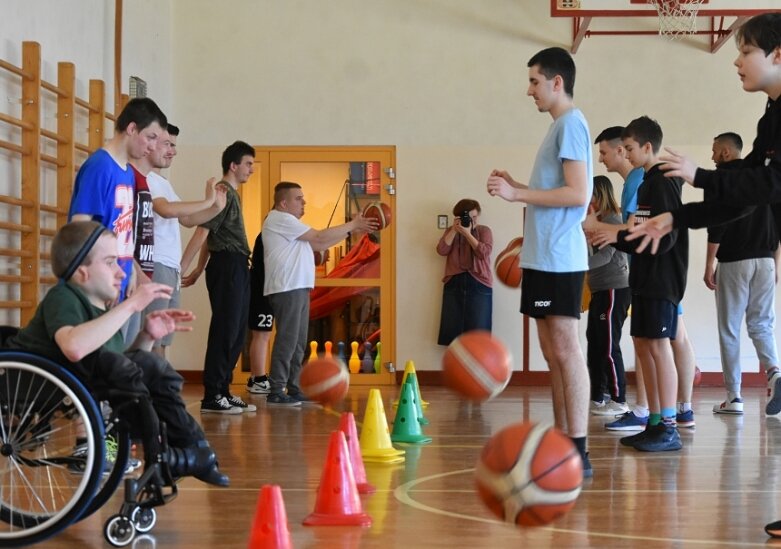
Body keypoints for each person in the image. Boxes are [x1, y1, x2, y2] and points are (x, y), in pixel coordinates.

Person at [626, 14, 781, 425]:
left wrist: (700, 176)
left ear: (778, 55)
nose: (737, 62)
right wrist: (676, 217)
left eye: (746, 52)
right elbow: (744, 194)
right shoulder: (771, 114)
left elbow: (769, 185)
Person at [6, 221, 228, 486]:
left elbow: (122, 366)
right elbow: (74, 347)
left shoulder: (105, 314)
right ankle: (175, 449)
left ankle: (190, 448)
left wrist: (147, 335)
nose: (121, 273)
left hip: (79, 382)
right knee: (141, 366)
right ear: (82, 272)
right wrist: (132, 305)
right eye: (110, 262)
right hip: (32, 383)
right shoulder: (64, 297)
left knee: (150, 365)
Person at [486, 47, 593, 476]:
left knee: (567, 351)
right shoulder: (559, 128)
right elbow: (557, 192)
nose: (528, 90)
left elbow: (578, 194)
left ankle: (579, 450)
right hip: (543, 257)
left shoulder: (570, 124)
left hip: (560, 258)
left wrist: (518, 195)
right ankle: (564, 442)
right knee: (553, 353)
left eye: (534, 81)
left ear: (556, 82)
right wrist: (521, 185)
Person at [588, 116, 687, 453]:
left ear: (647, 147)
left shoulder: (663, 183)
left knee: (659, 348)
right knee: (643, 346)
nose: (625, 154)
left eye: (629, 148)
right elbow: (638, 233)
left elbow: (665, 235)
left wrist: (617, 234)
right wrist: (615, 236)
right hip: (642, 278)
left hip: (662, 279)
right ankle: (655, 421)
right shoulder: (646, 184)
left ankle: (669, 427)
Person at [262, 181, 377, 406]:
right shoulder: (279, 218)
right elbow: (319, 238)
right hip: (287, 288)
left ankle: (293, 387)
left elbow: (321, 243)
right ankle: (276, 390)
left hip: (299, 287)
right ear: (283, 203)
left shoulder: (293, 224)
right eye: (298, 198)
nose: (303, 202)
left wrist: (353, 229)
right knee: (288, 339)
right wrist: (353, 224)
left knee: (297, 341)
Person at [706, 132, 779, 415]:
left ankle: (734, 397)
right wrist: (776, 263)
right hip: (766, 261)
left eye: (714, 151)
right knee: (762, 324)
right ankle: (774, 372)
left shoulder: (721, 179)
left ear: (726, 153)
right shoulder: (762, 176)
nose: (712, 157)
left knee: (729, 330)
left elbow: (716, 225)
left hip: (735, 261)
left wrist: (708, 264)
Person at [180, 141, 256, 414]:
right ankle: (213, 394)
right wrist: (183, 267)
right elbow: (202, 231)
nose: (251, 169)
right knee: (225, 328)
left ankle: (223, 389)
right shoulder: (223, 191)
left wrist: (200, 268)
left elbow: (212, 235)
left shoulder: (232, 195)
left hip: (235, 264)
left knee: (236, 330)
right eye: (248, 164)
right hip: (227, 265)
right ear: (233, 166)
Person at [68, 97, 167, 305]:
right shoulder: (100, 167)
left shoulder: (128, 173)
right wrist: (97, 280)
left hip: (120, 280)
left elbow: (125, 228)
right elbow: (79, 226)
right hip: (98, 283)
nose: (152, 147)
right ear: (132, 128)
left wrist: (130, 270)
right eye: (150, 137)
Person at [144, 124, 226, 358]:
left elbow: (189, 219)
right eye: (168, 144)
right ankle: (151, 392)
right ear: (150, 143)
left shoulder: (163, 183)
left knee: (164, 338)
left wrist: (215, 207)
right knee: (152, 337)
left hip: (170, 267)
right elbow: (166, 210)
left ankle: (158, 390)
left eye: (174, 146)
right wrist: (207, 200)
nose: (173, 151)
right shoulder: (145, 178)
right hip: (156, 263)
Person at [584, 176, 630, 418]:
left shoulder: (612, 220)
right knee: (595, 340)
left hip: (615, 289)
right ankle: (597, 395)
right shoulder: (597, 221)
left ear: (599, 194)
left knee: (609, 344)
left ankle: (619, 399)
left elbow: (604, 257)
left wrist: (575, 265)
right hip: (600, 289)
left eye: (590, 194)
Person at [435, 198, 493, 346]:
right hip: (454, 281)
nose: (472, 221)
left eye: (475, 217)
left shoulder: (484, 231)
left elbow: (484, 253)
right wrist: (455, 230)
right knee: (452, 330)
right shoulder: (452, 231)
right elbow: (441, 250)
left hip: (479, 281)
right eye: (468, 217)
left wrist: (468, 234)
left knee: (479, 333)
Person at [246, 229, 273, 395]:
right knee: (261, 335)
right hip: (261, 290)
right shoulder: (268, 234)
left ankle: (255, 376)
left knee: (263, 335)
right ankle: (259, 379)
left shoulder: (266, 235)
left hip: (263, 289)